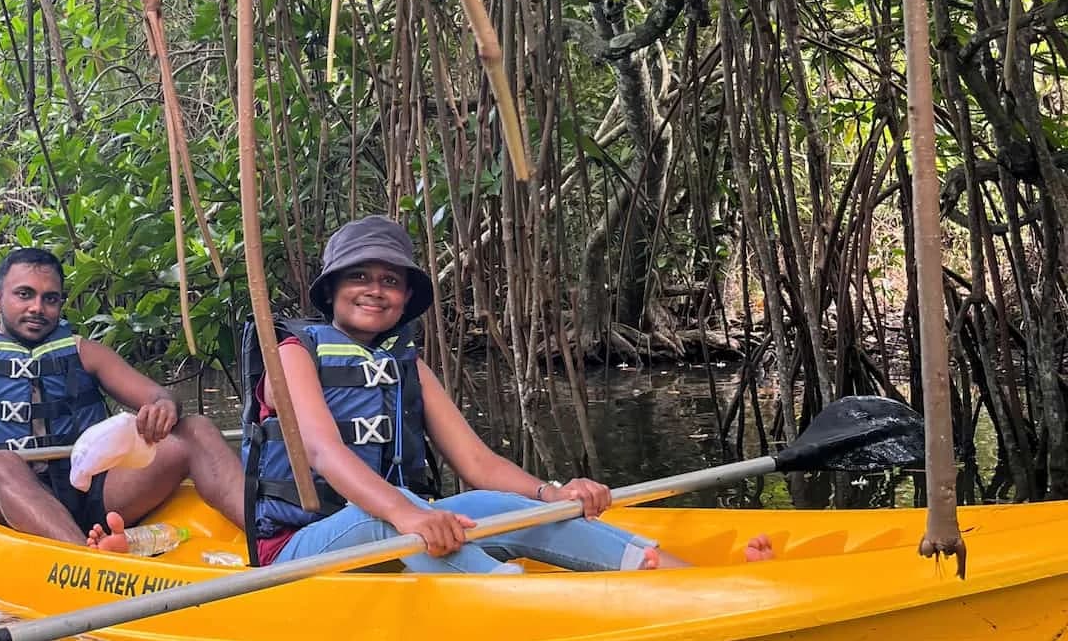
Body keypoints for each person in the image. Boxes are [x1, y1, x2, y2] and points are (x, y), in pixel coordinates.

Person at [242, 216, 773, 574]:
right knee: (385, 512)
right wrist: (410, 515)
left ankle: (678, 575)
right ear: (332, 289)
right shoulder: (293, 351)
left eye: (390, 280)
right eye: (358, 276)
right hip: (301, 547)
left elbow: (477, 462)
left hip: (397, 527)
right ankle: (509, 590)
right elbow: (321, 451)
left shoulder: (406, 365)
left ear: (405, 298)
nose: (375, 289)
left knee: (497, 504)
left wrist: (551, 493)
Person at [0, 139, 245, 549]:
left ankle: (271, 541)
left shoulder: (80, 350)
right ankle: (87, 563)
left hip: (86, 495)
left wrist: (163, 408)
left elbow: (157, 395)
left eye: (49, 299)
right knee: (1, 464)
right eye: (24, 294)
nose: (38, 307)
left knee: (193, 429)